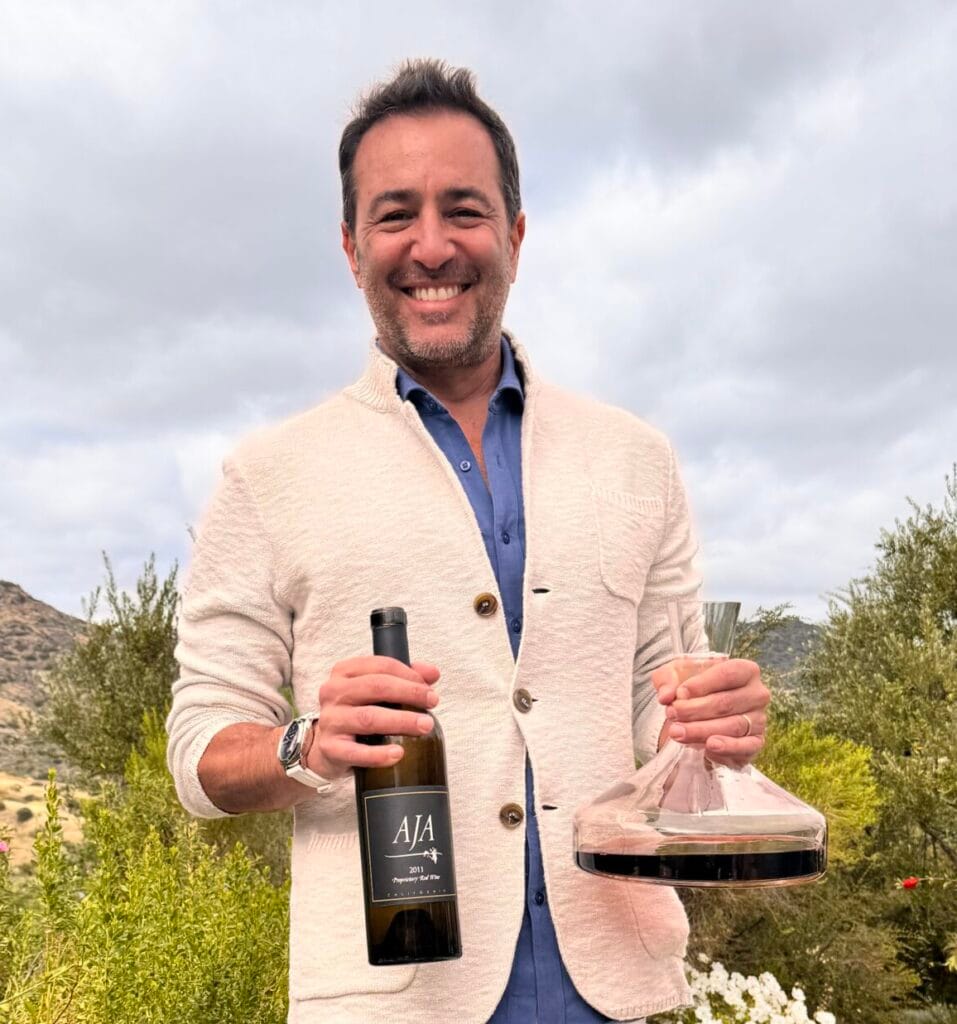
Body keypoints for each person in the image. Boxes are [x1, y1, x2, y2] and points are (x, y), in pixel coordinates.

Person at [166, 58, 770, 1024]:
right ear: (351, 244)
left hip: (616, 989)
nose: (432, 245)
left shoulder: (637, 459)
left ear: (516, 235)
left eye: (465, 210)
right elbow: (200, 751)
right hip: (387, 1001)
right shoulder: (266, 476)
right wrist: (310, 741)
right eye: (396, 214)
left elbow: (659, 712)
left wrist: (715, 730)